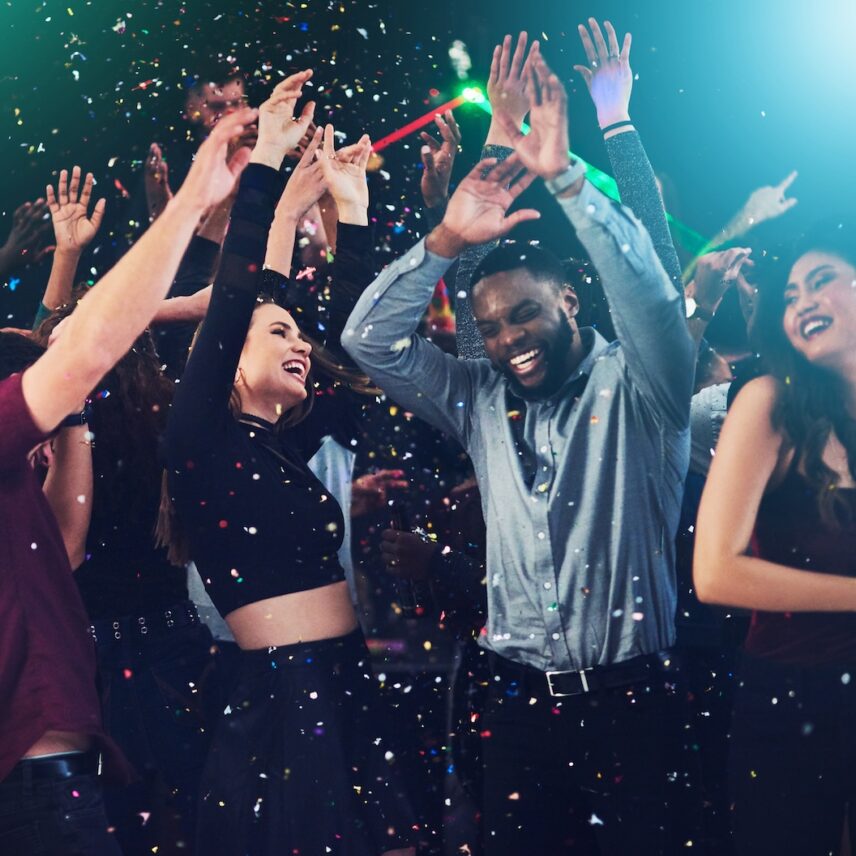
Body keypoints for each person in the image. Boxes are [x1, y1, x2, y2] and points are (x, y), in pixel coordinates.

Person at [343, 37, 697, 856]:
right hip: (511, 703)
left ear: (573, 300)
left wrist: (583, 159)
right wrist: (446, 242)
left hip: (631, 702)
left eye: (527, 317)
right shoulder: (479, 394)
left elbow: (649, 281)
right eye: (494, 329)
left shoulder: (646, 386)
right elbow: (368, 341)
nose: (508, 341)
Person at [159, 69, 417, 855]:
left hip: (346, 681)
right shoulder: (198, 437)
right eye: (278, 335)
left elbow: (348, 340)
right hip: (282, 695)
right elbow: (240, 291)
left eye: (294, 334)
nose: (299, 341)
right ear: (224, 361)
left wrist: (355, 211)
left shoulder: (277, 445)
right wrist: (266, 161)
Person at [0, 106, 256, 855]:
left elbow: (65, 541)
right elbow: (69, 352)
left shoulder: (161, 409)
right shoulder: (65, 405)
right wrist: (184, 211)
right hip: (45, 735)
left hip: (145, 666)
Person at [693, 221, 856, 856]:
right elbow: (716, 573)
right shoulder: (768, 403)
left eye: (820, 283)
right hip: (795, 697)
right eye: (790, 297)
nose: (802, 304)